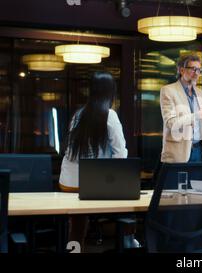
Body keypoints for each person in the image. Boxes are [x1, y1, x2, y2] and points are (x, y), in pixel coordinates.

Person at [59, 71, 129, 251]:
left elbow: (69, 151)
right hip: (93, 184)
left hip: (67, 183)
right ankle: (128, 242)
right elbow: (120, 153)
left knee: (77, 222)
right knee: (129, 208)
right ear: (110, 92)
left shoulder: (79, 114)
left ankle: (74, 248)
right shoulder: (110, 114)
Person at [160, 54, 202, 163]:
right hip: (178, 153)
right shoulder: (168, 91)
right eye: (193, 69)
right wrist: (199, 114)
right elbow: (171, 123)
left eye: (199, 70)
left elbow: (200, 125)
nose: (197, 73)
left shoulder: (200, 92)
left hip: (199, 150)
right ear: (182, 70)